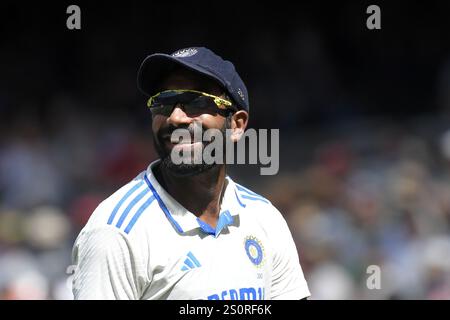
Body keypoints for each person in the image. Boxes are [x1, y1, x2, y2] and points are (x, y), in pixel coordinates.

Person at [71, 47, 310, 300]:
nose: (175, 118)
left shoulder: (264, 218)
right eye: (163, 102)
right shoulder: (116, 233)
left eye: (196, 101)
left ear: (237, 125)